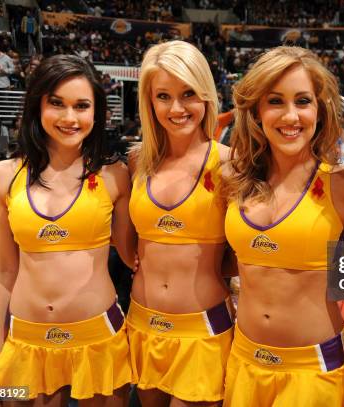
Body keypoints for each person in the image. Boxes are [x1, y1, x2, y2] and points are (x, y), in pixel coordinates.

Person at [0, 54, 135, 404]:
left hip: (99, 338)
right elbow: (5, 269)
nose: (70, 118)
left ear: (96, 114)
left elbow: (132, 256)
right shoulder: (2, 176)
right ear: (38, 105)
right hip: (25, 341)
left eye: (82, 106)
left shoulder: (115, 176)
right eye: (57, 104)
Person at [222, 46, 344, 406]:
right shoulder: (231, 179)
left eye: (303, 101)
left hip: (315, 371)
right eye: (275, 101)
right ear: (256, 110)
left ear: (320, 108)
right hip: (243, 360)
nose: (291, 116)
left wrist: (341, 342)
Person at [127, 40, 233, 407]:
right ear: (149, 101)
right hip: (141, 324)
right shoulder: (136, 161)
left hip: (202, 329)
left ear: (206, 94)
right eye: (163, 96)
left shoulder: (231, 164)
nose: (177, 108)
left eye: (188, 93)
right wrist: (133, 258)